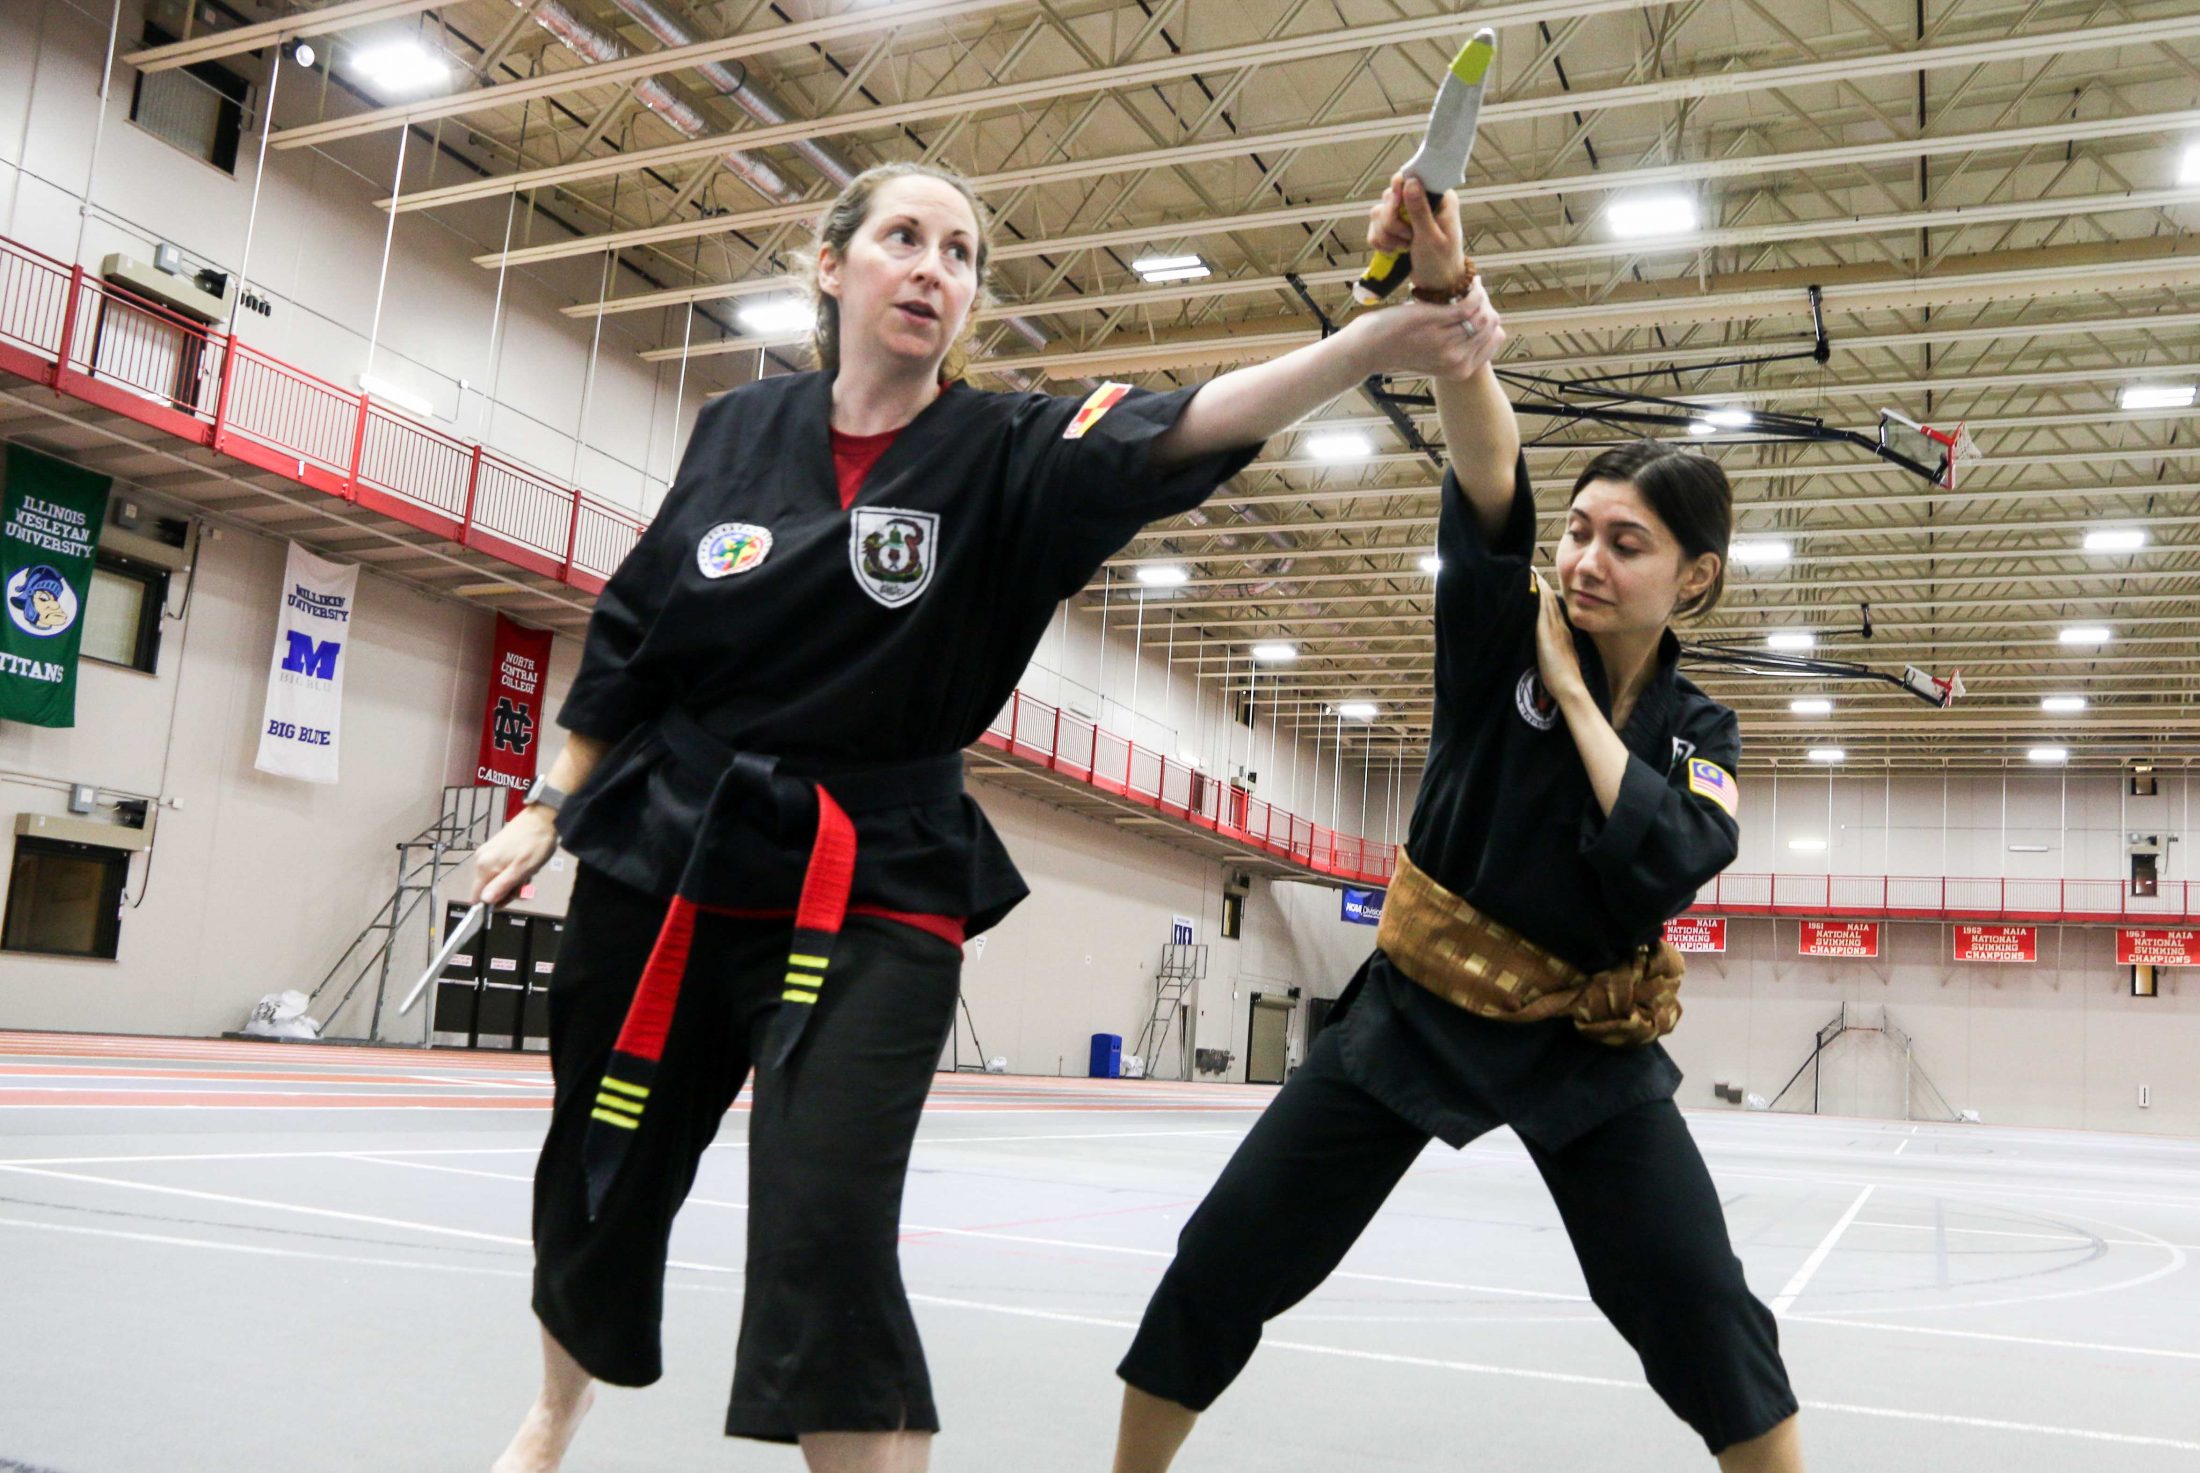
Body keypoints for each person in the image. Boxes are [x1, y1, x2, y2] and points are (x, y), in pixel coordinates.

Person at [466, 160, 1504, 1473]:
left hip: (872, 872)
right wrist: (553, 800)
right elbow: (633, 628)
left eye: (960, 253)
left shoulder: (1008, 455)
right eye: (904, 238)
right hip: (669, 844)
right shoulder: (738, 431)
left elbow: (1186, 425)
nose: (933, 269)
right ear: (834, 266)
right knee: (596, 1171)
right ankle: (554, 1413)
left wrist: (1368, 341)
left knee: (827, 1229)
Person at [1110, 175, 1804, 1471]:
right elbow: (1493, 470)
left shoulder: (1698, 733)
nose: (1589, 557)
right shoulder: (1496, 639)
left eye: (1631, 543)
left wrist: (1592, 717)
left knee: (1701, 1310)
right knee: (1223, 1261)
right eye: (1584, 532)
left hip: (1585, 1043)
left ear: (1694, 576)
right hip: (1412, 1013)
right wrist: (1446, 304)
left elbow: (1671, 855)